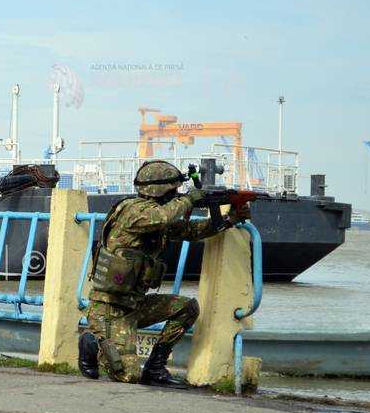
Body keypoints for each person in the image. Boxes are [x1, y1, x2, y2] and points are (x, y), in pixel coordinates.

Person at [78, 160, 251, 387]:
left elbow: (190, 230)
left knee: (187, 308)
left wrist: (231, 219)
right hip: (109, 310)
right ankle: (93, 341)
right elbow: (163, 217)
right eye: (173, 191)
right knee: (128, 376)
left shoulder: (155, 218)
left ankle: (155, 368)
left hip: (135, 305)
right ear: (161, 190)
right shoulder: (135, 211)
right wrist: (189, 199)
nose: (176, 195)